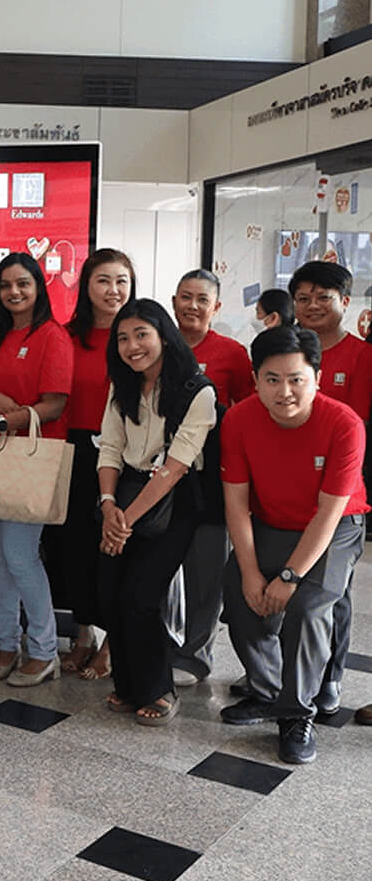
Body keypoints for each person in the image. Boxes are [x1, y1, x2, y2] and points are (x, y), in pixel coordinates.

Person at [219, 326, 366, 763]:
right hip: (268, 522)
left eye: (296, 379)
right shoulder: (239, 419)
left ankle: (296, 712)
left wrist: (289, 576)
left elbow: (329, 512)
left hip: (335, 526)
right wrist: (248, 571)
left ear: (317, 378)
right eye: (272, 379)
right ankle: (267, 691)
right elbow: (236, 502)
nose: (285, 391)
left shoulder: (344, 423)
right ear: (255, 378)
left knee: (307, 608)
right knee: (240, 596)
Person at [97, 300, 216, 726]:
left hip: (173, 502)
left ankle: (158, 689)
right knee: (110, 595)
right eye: (123, 338)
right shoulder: (122, 387)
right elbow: (109, 448)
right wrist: (109, 505)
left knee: (142, 595)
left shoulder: (196, 390)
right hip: (124, 494)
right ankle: (128, 686)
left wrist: (124, 520)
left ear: (163, 335)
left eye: (141, 335)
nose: (132, 346)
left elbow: (176, 466)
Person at [0, 252, 73, 687]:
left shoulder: (52, 336)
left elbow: (56, 404)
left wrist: (3, 420)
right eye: (6, 285)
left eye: (23, 284)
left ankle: (44, 650)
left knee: (22, 558)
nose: (14, 292)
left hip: (31, 460)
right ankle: (7, 642)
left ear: (38, 287)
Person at [287, 260, 372, 716]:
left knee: (330, 593)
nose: (313, 305)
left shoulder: (362, 356)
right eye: (303, 298)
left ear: (345, 301)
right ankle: (284, 675)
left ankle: (329, 677)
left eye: (324, 297)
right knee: (287, 586)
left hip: (340, 493)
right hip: (283, 489)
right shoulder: (284, 350)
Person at [50, 248, 135, 681]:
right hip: (75, 448)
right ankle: (82, 633)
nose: (113, 290)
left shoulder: (139, 338)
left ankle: (112, 641)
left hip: (124, 455)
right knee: (75, 548)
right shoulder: (67, 335)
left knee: (116, 547)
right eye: (103, 280)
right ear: (86, 286)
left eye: (121, 280)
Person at [170, 268, 254, 688]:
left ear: (216, 307)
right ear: (173, 302)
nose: (192, 306)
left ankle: (195, 655)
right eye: (185, 297)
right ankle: (161, 645)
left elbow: (248, 411)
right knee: (160, 566)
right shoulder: (158, 346)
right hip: (162, 472)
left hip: (211, 477)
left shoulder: (233, 353)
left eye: (202, 299)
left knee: (205, 570)